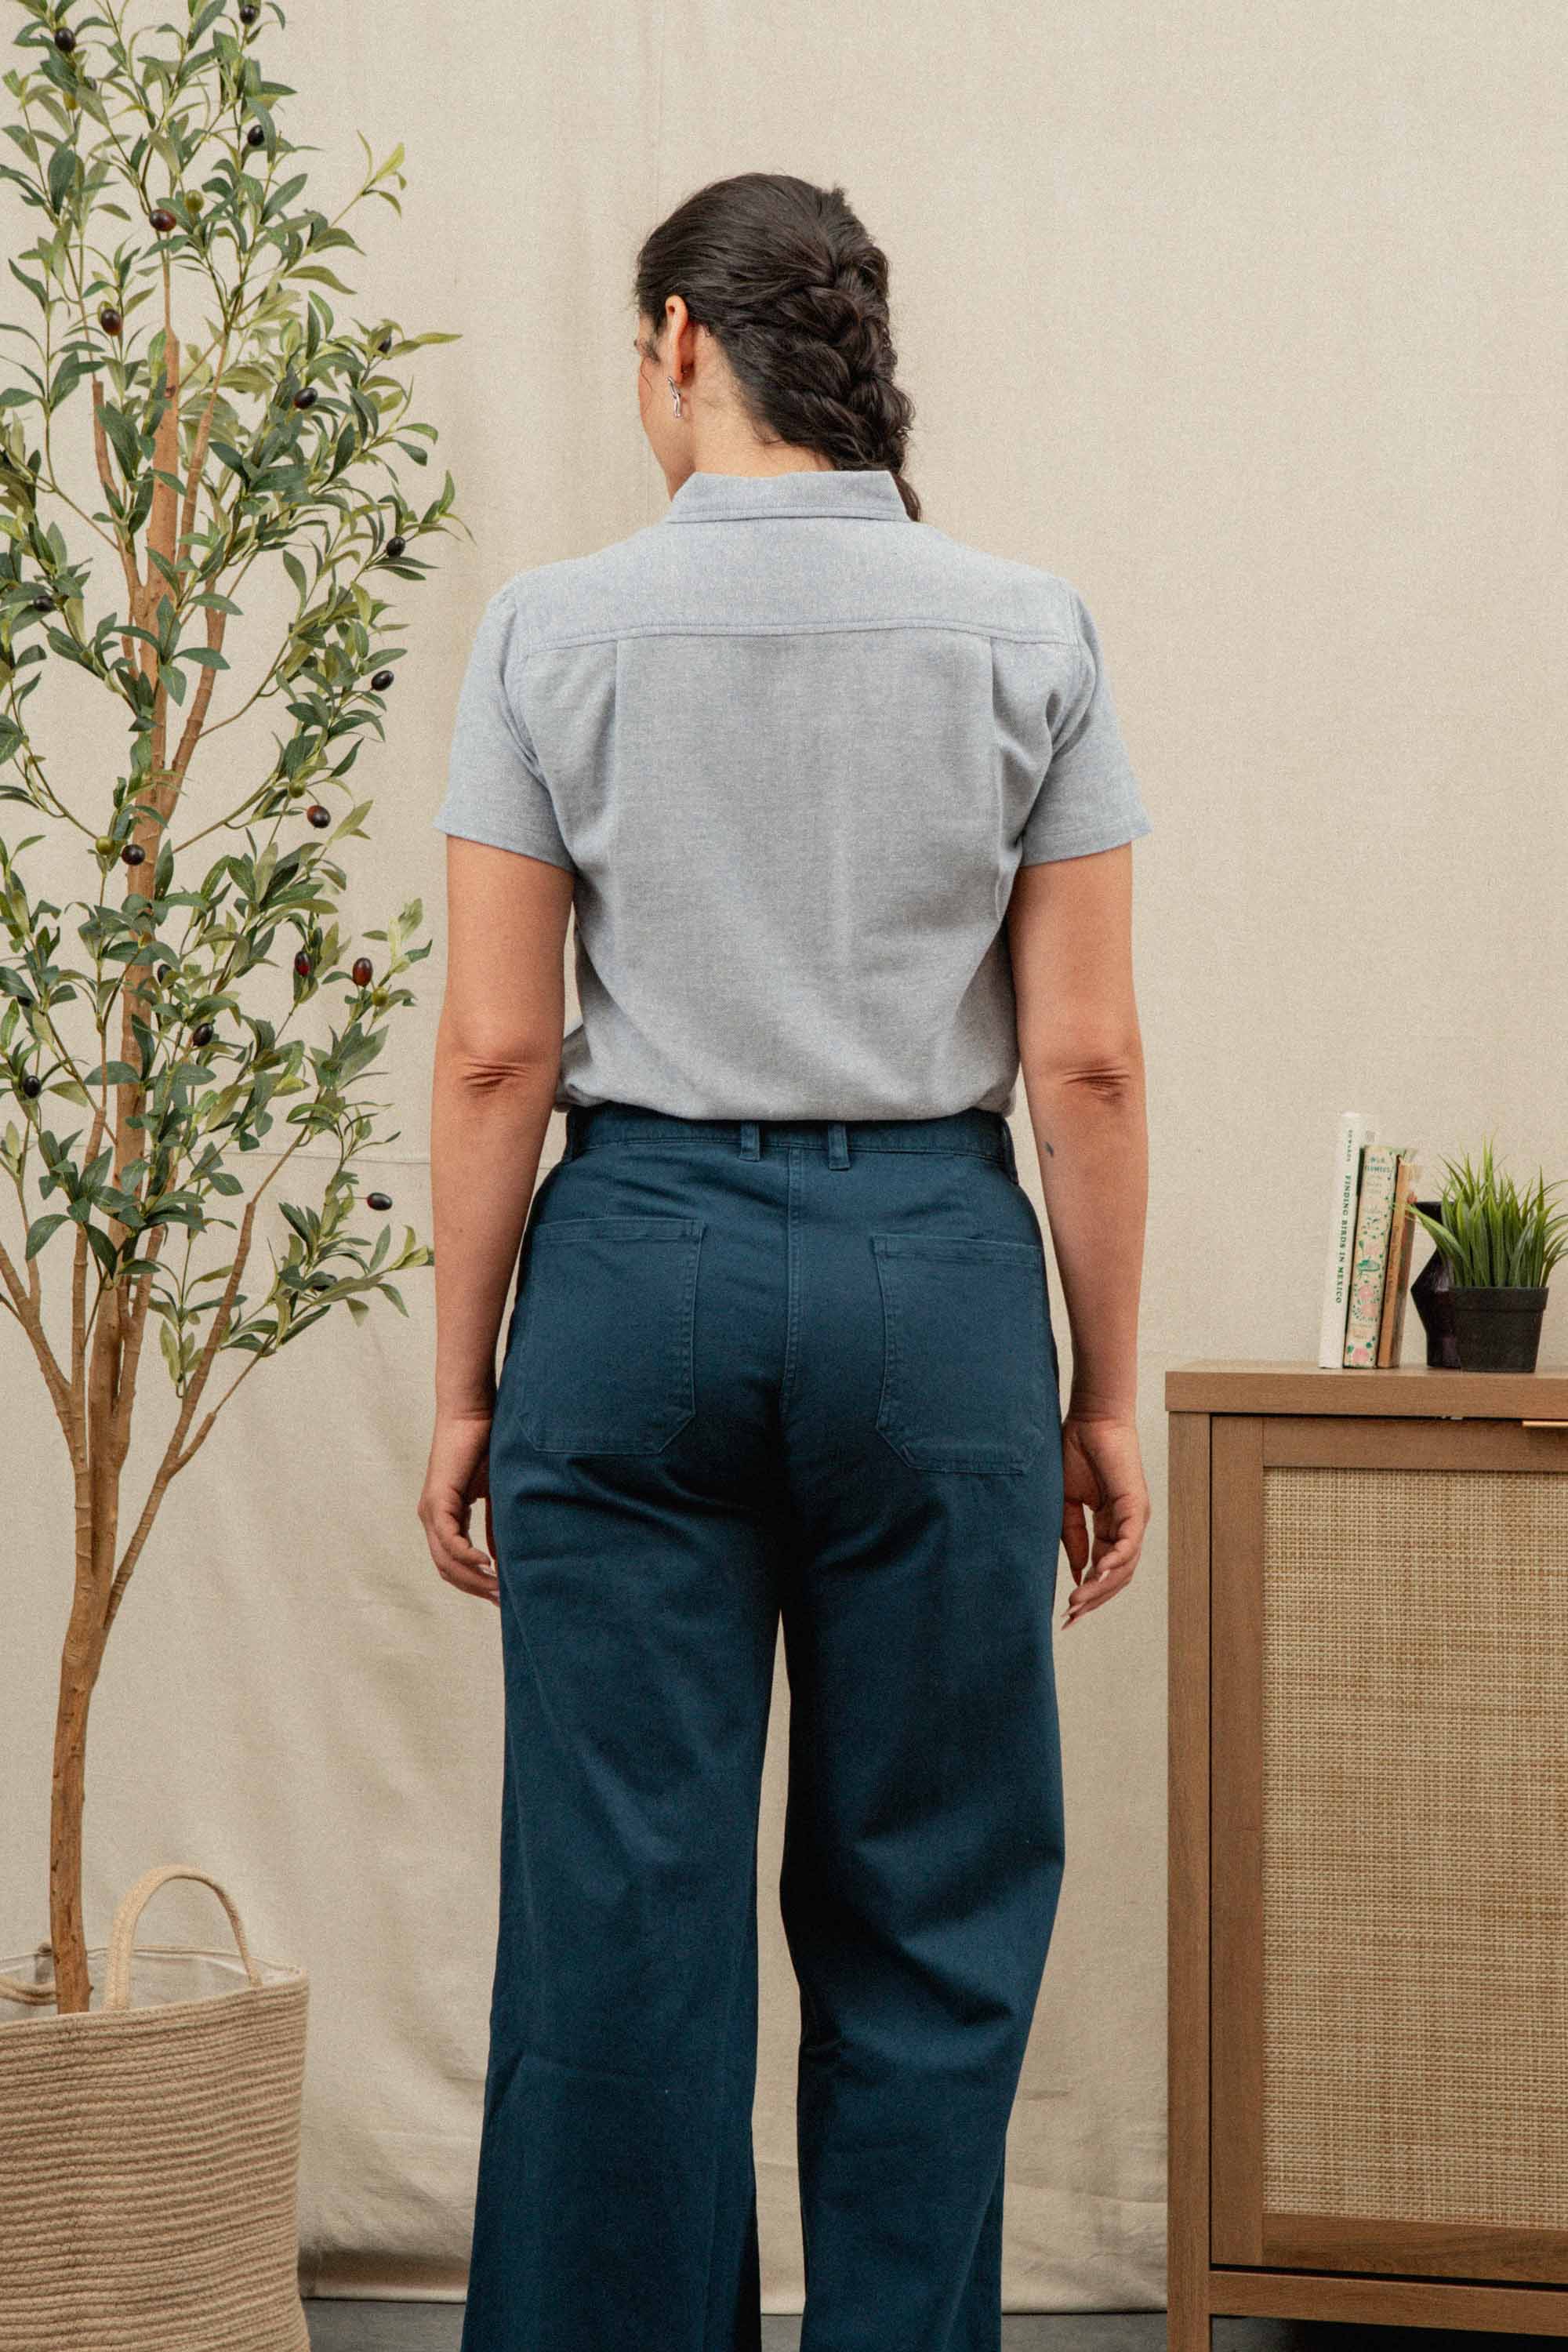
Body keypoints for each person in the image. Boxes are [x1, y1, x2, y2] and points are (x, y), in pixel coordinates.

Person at [419, 169, 1152, 2352]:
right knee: (930, 1908)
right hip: (934, 1287)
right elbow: (1087, 1060)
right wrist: (1104, 1388)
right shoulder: (1029, 630)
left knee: (619, 1929)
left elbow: (496, 1048)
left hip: (633, 1279)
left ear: (680, 344)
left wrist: (464, 1387)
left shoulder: (549, 633)